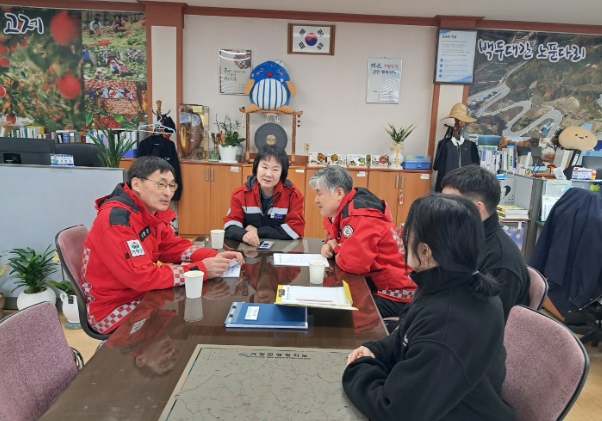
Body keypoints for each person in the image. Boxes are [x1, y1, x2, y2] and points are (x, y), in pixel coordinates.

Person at [343, 194, 515, 421]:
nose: (401, 240)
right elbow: (406, 335)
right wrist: (377, 350)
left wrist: (360, 367)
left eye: (406, 234)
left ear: (425, 251)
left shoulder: (448, 322)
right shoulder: (451, 283)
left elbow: (393, 411)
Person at [81, 156, 243, 334]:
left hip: (141, 295)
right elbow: (142, 277)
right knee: (192, 322)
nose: (168, 192)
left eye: (171, 186)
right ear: (136, 184)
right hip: (112, 308)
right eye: (161, 184)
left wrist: (212, 255)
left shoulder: (148, 213)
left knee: (196, 312)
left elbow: (172, 246)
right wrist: (201, 269)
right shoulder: (118, 222)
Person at [309, 165, 415, 318]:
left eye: (319, 194)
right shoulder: (346, 209)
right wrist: (330, 242)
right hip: (377, 284)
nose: (316, 199)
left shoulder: (361, 217)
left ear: (339, 193)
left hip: (393, 293)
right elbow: (335, 233)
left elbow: (353, 264)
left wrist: (336, 248)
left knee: (338, 317)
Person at [441, 164, 530, 320]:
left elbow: (487, 322)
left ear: (476, 208)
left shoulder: (500, 261)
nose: (441, 209)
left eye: (449, 204)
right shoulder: (467, 236)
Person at [224, 145, 305, 246]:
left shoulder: (293, 195)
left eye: (275, 169)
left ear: (282, 173)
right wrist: (243, 235)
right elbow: (230, 225)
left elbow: (296, 229)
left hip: (282, 250)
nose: (268, 174)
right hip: (249, 249)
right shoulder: (241, 194)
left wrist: (258, 231)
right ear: (256, 167)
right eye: (264, 167)